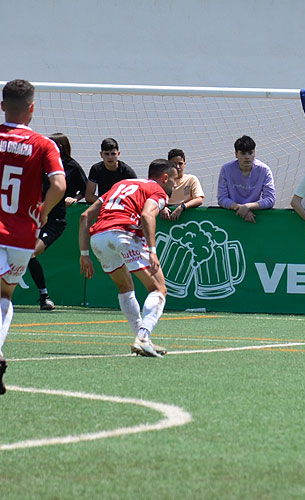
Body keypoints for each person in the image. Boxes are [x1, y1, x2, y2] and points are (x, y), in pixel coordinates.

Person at [0, 79, 66, 393]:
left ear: (2, 106)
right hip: (21, 237)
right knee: (4, 296)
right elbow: (59, 185)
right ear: (32, 108)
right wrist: (44, 210)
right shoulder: (44, 144)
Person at [78, 159, 178, 358]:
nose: (174, 185)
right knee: (158, 289)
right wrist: (152, 250)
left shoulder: (120, 184)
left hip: (98, 238)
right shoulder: (158, 191)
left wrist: (84, 254)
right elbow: (147, 215)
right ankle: (143, 337)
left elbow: (84, 216)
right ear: (165, 177)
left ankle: (142, 339)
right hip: (124, 234)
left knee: (125, 287)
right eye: (174, 180)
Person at [27, 133, 88, 310]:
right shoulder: (41, 164)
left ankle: (44, 296)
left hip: (55, 221)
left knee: (29, 254)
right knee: (22, 255)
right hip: (34, 219)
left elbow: (84, 190)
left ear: (60, 147)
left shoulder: (71, 166)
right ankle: (42, 296)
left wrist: (74, 198)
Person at [217, 135, 275, 223]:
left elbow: (270, 199)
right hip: (230, 218)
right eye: (243, 153)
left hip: (255, 218)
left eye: (250, 153)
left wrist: (248, 207)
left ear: (254, 153)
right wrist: (239, 208)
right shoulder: (226, 169)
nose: (247, 157)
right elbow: (222, 198)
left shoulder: (264, 170)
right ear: (236, 154)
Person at [85, 137, 137, 203]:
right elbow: (89, 196)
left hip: (122, 207)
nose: (110, 157)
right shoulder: (96, 169)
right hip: (103, 206)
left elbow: (135, 197)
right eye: (106, 154)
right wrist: (108, 202)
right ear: (101, 154)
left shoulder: (127, 172)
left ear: (118, 154)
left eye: (113, 154)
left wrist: (116, 203)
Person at [160, 148, 204, 221]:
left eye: (180, 164)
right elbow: (155, 198)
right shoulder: (163, 180)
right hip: (165, 219)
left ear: (184, 164)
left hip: (187, 219)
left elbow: (199, 199)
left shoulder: (191, 179)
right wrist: (162, 207)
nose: (177, 167)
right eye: (174, 164)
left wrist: (182, 207)